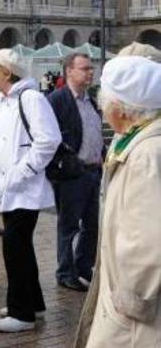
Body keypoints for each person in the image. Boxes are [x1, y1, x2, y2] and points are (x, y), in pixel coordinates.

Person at [75, 56, 161, 348]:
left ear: (122, 110)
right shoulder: (136, 139)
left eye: (105, 103)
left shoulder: (147, 154)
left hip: (133, 314)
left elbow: (147, 240)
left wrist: (132, 301)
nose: (102, 110)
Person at [0, 48, 61, 333]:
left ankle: (22, 313)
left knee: (15, 249)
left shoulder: (31, 98)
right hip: (8, 188)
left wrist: (20, 174)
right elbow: (2, 147)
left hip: (24, 189)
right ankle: (32, 303)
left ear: (7, 72)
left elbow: (48, 141)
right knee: (21, 247)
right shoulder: (2, 101)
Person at [46, 53, 103, 293]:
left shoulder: (89, 99)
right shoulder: (57, 99)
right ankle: (65, 272)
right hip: (72, 173)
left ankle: (83, 267)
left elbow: (94, 131)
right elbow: (48, 135)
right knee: (69, 225)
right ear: (69, 71)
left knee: (91, 225)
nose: (90, 72)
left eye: (91, 68)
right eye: (84, 68)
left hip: (93, 171)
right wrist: (66, 162)